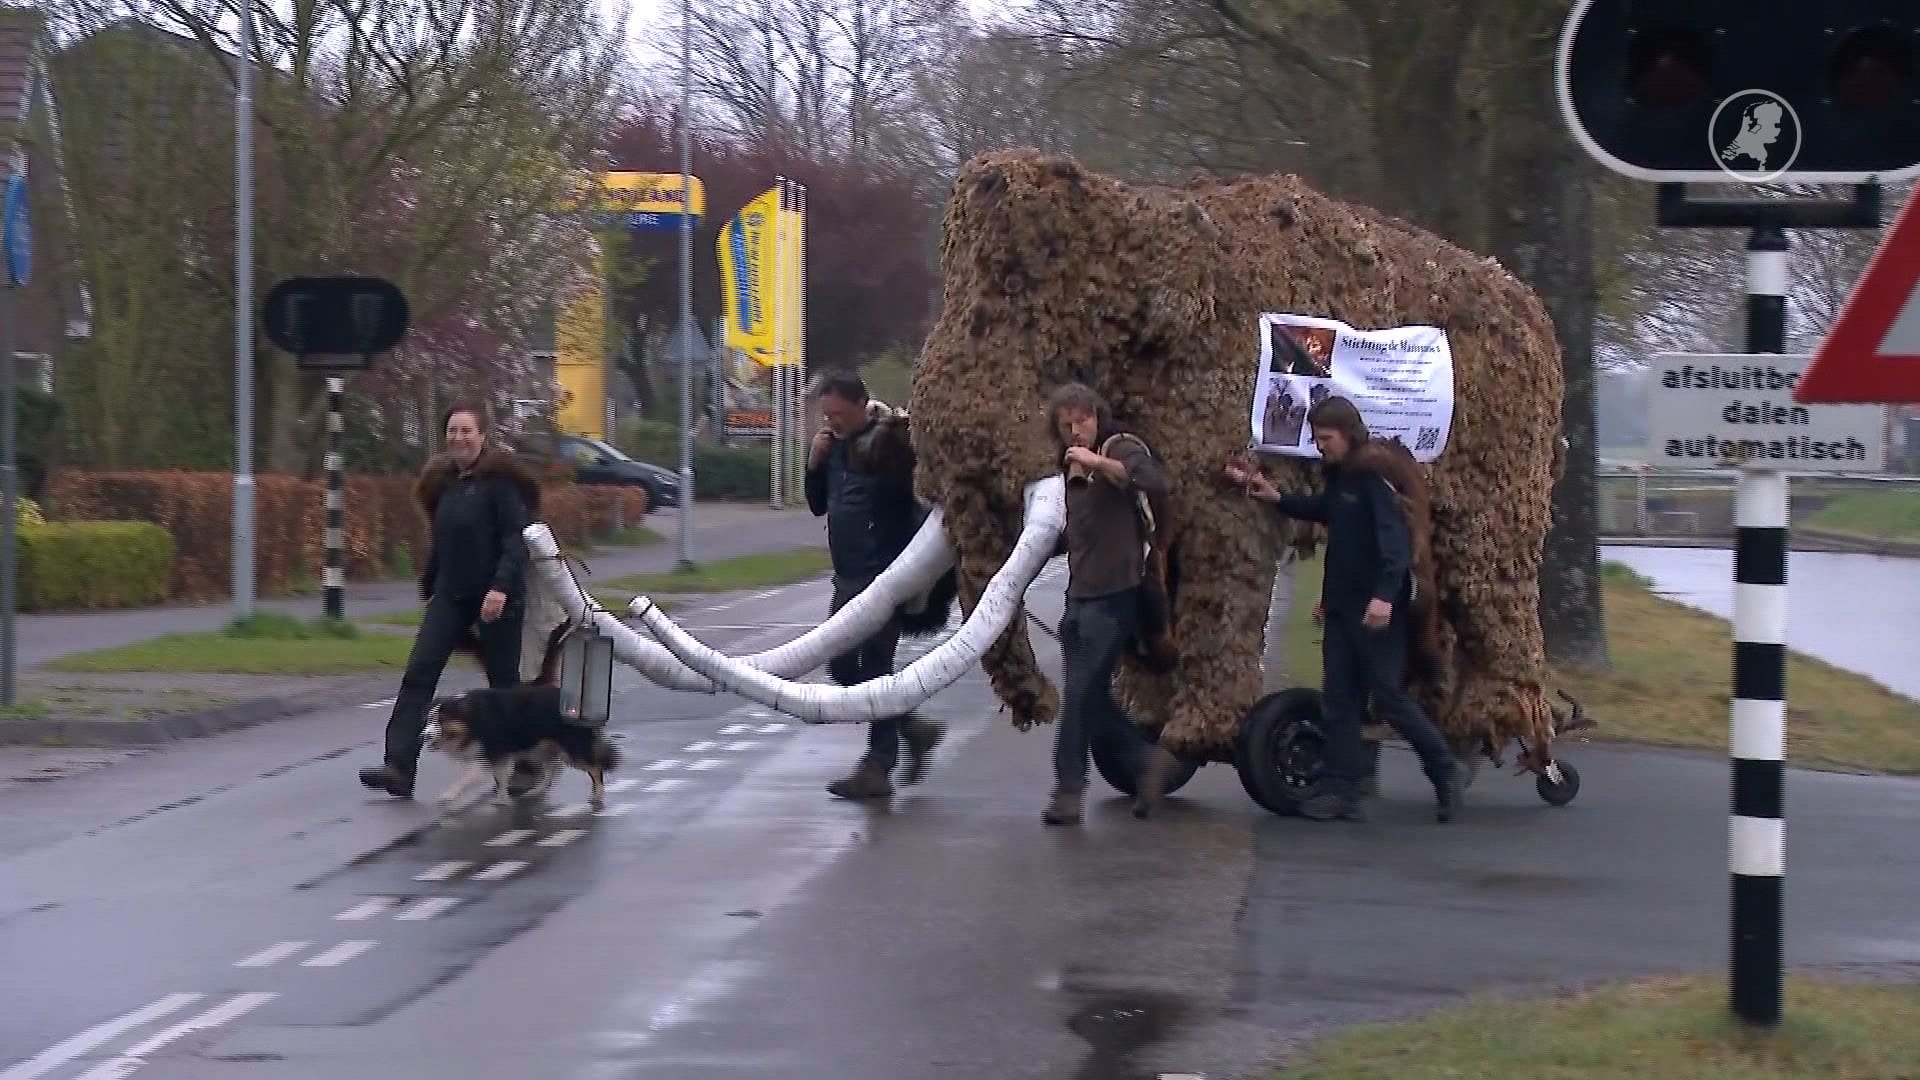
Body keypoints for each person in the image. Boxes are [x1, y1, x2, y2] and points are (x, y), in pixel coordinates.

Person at [1223, 396, 1462, 823]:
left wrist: (1385, 597)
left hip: (1376, 611)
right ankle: (1341, 790)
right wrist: (1277, 498)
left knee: (1388, 698)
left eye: (1326, 437)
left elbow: (1396, 545)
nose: (1319, 445)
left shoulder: (1372, 476)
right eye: (1315, 437)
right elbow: (1329, 513)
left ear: (1348, 434)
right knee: (1339, 700)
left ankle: (1445, 771)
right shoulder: (1340, 476)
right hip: (1340, 607)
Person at [360, 401, 541, 799]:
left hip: (496, 596)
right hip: (451, 596)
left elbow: (516, 542)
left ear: (483, 437)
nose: (459, 438)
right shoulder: (445, 484)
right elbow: (442, 546)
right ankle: (399, 767)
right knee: (419, 672)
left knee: (504, 685)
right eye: (453, 431)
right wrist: (430, 589)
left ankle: (525, 762)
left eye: (467, 431)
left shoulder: (501, 484)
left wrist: (500, 589)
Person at [804, 370, 945, 800]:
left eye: (837, 414)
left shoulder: (891, 444)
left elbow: (917, 493)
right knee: (844, 667)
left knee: (877, 666)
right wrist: (814, 464)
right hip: (848, 579)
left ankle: (878, 766)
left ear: (860, 405)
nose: (830, 422)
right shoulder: (831, 449)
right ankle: (911, 728)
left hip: (885, 576)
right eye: (825, 414)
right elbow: (815, 506)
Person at [1043, 382, 1180, 826]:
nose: (1075, 431)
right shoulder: (1068, 472)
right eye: (1066, 425)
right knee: (1090, 695)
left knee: (1081, 694)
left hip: (1118, 592)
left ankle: (1068, 792)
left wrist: (1098, 461)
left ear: (1097, 416)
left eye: (1082, 420)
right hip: (1079, 595)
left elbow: (1154, 479)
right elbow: (1076, 534)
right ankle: (1148, 764)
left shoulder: (1119, 446)